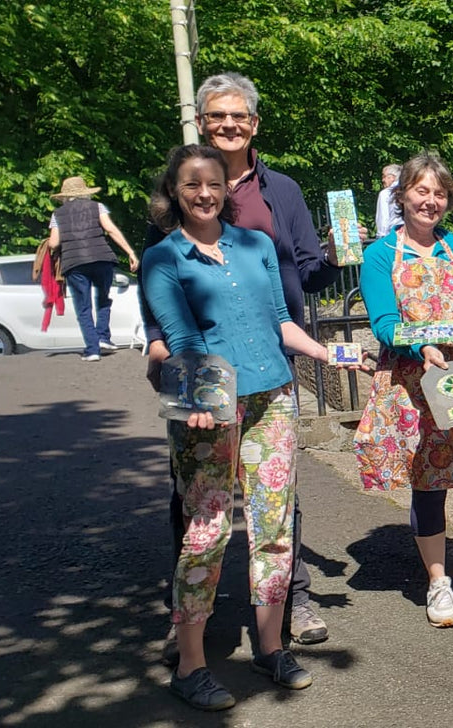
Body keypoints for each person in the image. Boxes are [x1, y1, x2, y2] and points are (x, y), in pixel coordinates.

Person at [143, 144, 355, 710]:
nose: (205, 193)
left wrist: (326, 355)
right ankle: (191, 664)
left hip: (274, 396)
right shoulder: (163, 258)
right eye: (191, 185)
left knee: (275, 523)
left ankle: (269, 646)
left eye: (213, 183)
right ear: (175, 192)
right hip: (208, 406)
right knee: (207, 531)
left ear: (225, 189)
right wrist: (197, 397)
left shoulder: (256, 245)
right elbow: (180, 336)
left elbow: (281, 321)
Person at [354, 151, 453, 629]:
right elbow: (384, 323)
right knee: (428, 479)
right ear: (401, 196)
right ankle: (438, 580)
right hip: (413, 383)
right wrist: (424, 346)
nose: (431, 201)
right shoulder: (380, 255)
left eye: (439, 193)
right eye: (421, 191)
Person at [45, 176, 139, 360]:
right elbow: (111, 229)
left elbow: (54, 242)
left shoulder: (58, 214)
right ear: (85, 193)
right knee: (103, 299)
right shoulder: (98, 207)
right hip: (102, 259)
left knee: (83, 307)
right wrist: (130, 252)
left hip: (75, 264)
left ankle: (92, 350)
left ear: (65, 196)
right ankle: (103, 337)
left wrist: (50, 245)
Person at [375, 163, 403, 238]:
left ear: (392, 178)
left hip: (392, 235)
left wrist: (381, 237)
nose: (383, 180)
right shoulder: (408, 191)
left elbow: (383, 218)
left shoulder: (385, 193)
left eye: (384, 176)